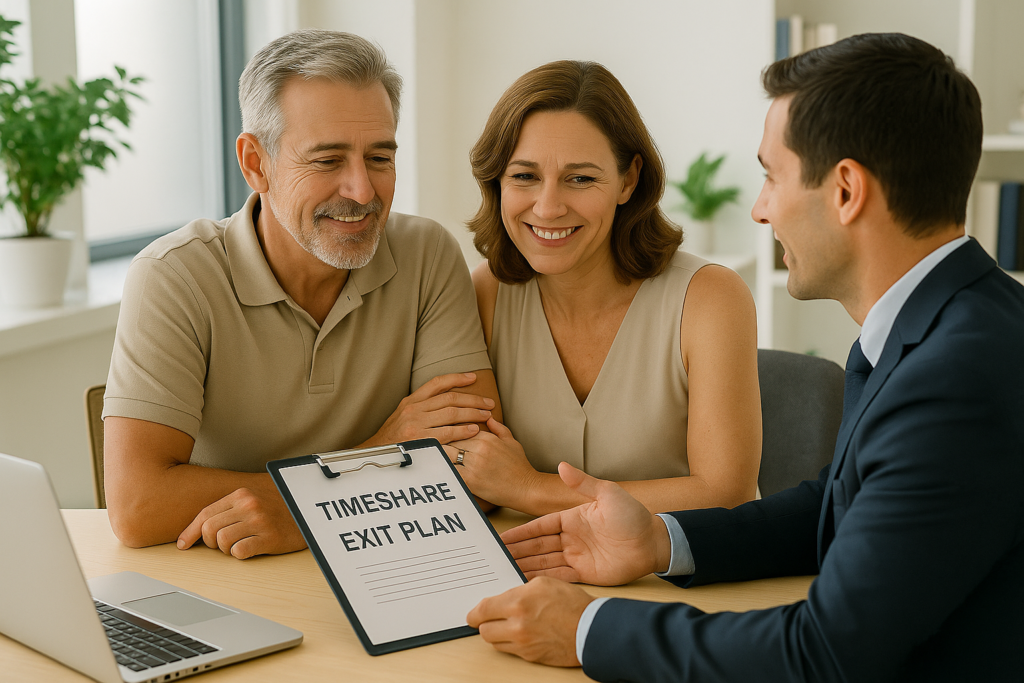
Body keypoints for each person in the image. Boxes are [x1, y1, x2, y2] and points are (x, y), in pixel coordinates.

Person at [467, 33, 1024, 682]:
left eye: (771, 175)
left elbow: (823, 652)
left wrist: (587, 627)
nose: (759, 210)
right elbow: (837, 507)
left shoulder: (956, 377)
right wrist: (661, 540)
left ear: (846, 190)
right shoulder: (939, 326)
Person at [102, 30, 500, 560]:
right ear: (255, 164)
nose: (362, 191)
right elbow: (138, 506)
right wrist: (377, 455)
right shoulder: (174, 276)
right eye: (327, 160)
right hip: (227, 575)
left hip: (389, 564)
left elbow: (478, 467)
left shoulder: (427, 253)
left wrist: (302, 513)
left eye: (379, 158)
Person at [446, 61, 761, 516]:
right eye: (524, 176)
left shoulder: (710, 298)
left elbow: (724, 492)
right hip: (535, 573)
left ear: (628, 181)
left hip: (686, 581)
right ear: (497, 182)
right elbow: (473, 477)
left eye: (580, 178)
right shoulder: (485, 295)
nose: (548, 207)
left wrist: (530, 489)